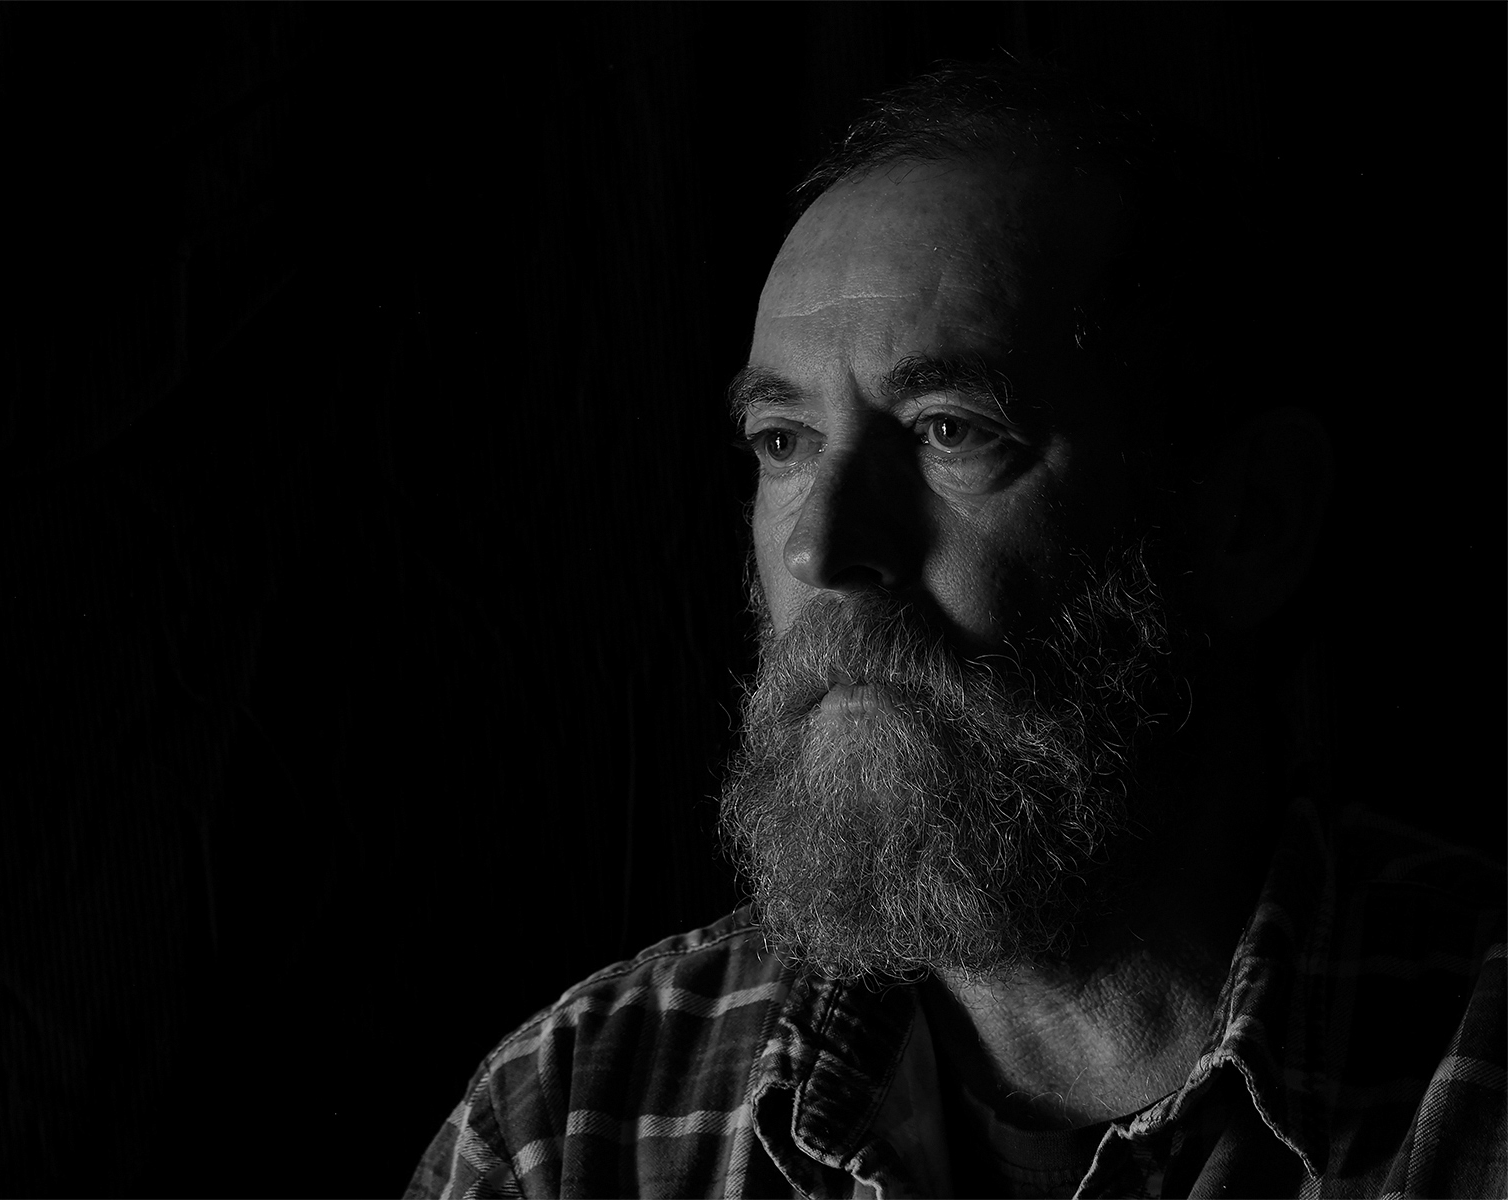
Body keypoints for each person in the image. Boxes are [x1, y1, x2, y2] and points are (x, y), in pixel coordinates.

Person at [406, 62, 1505, 1199]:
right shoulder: (576, 1127)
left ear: (1250, 520)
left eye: (950, 429)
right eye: (783, 442)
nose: (821, 549)